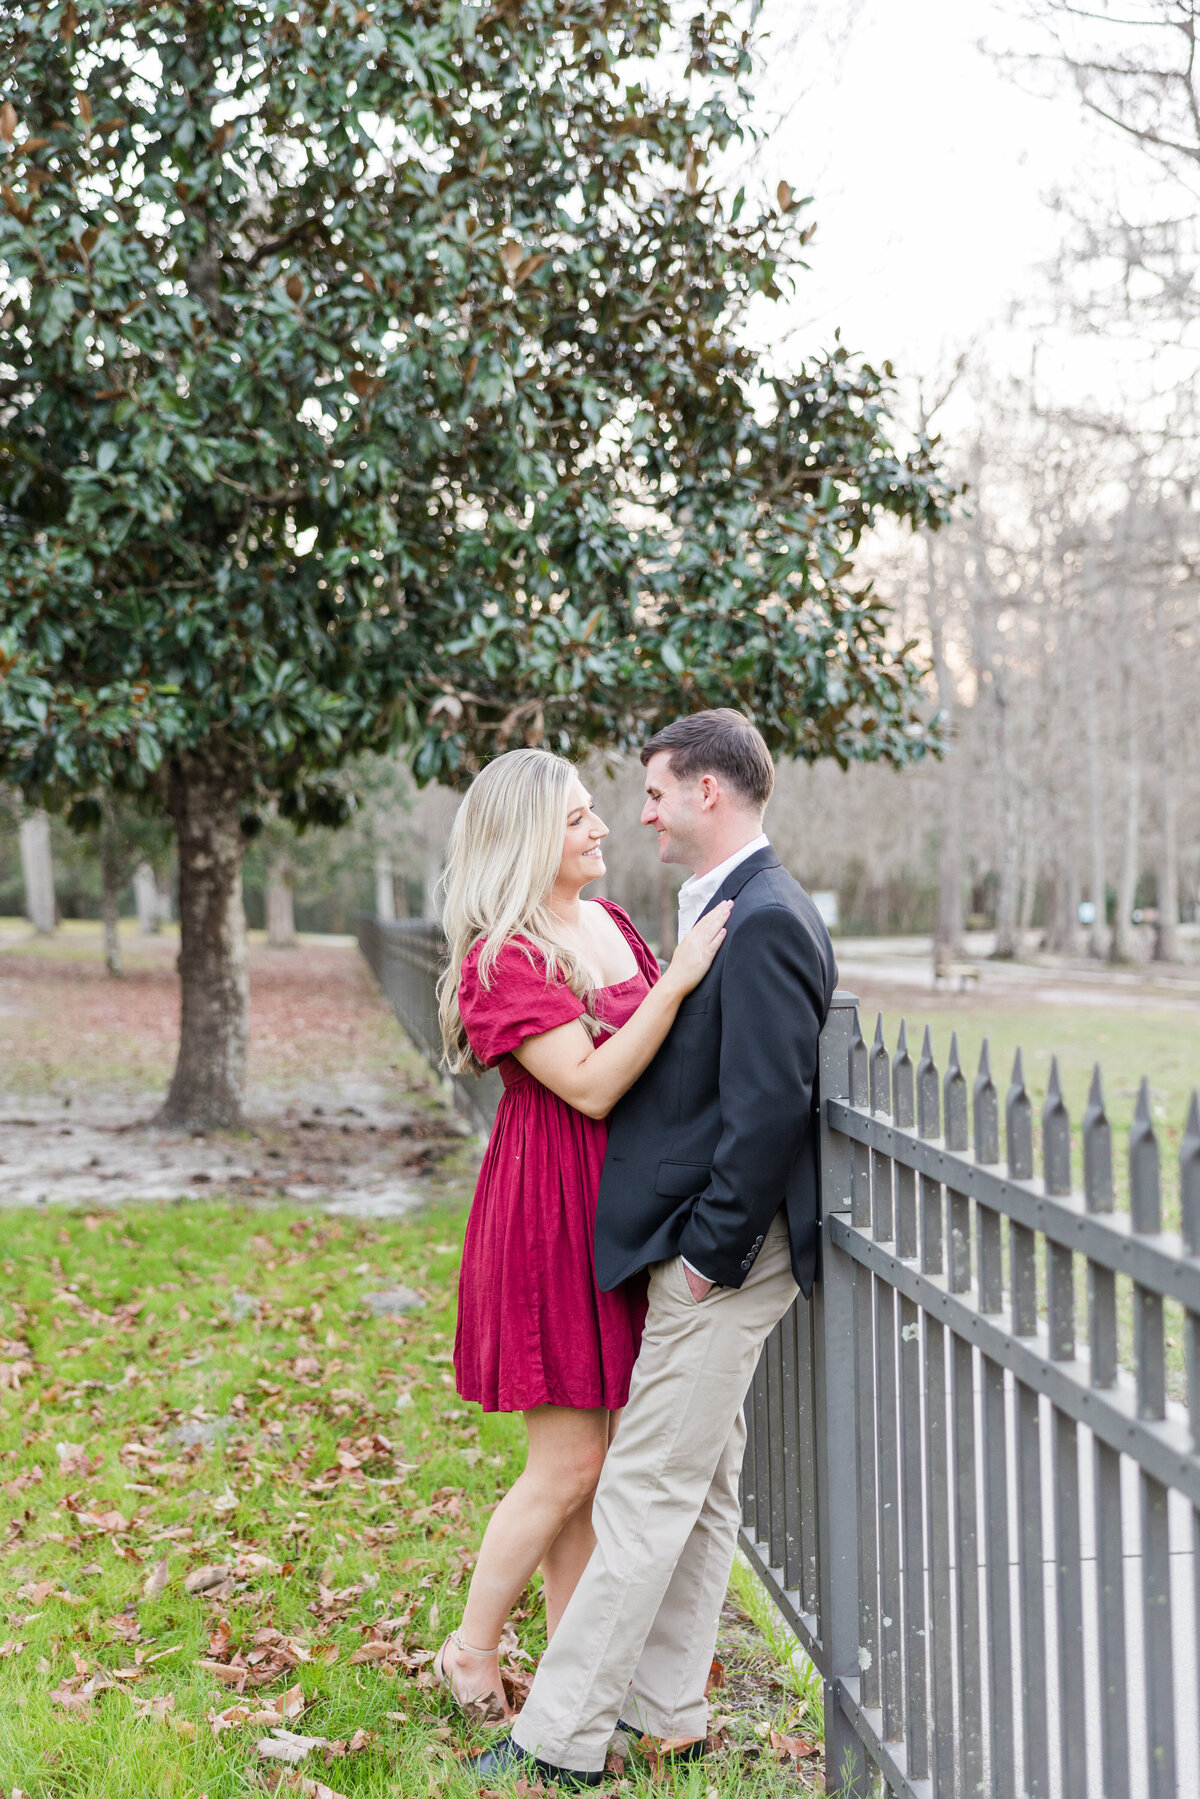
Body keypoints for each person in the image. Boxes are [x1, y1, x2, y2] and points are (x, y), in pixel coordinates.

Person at [468, 708, 837, 1787]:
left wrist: (710, 1254)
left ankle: (559, 1739)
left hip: (720, 1251)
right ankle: (670, 1709)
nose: (643, 813)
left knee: (637, 1489)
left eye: (657, 791)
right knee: (703, 1482)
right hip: (688, 1237)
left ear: (709, 792)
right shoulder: (728, 907)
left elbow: (769, 1107)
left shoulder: (761, 914)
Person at [431, 746, 732, 1726]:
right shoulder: (502, 957)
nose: (601, 826)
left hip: (621, 1210)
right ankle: (470, 1651)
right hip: (548, 1215)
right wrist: (682, 976)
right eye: (575, 817)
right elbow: (596, 1084)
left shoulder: (604, 921)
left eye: (596, 810)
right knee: (566, 1462)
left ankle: (569, 1678)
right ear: (526, 839)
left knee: (598, 1464)